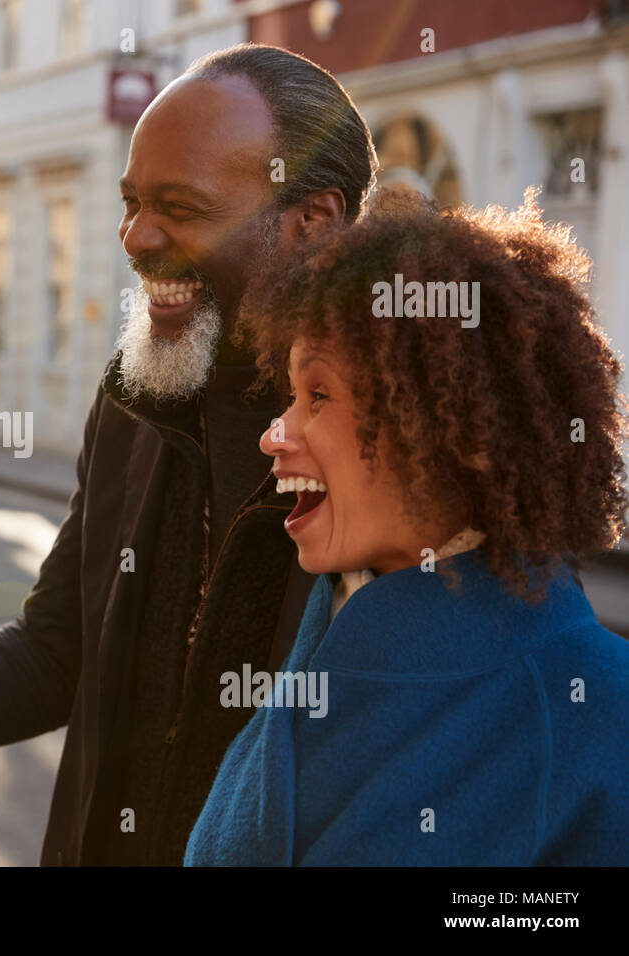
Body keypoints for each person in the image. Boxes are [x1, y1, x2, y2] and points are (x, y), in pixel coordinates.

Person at [0, 43, 377, 865]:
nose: (135, 236)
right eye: (131, 202)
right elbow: (55, 652)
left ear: (313, 223)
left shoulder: (414, 446)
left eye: (178, 207)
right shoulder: (136, 399)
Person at [186, 188, 629, 865]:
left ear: (439, 431)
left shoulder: (598, 706)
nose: (277, 435)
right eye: (291, 397)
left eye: (320, 396)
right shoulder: (328, 621)